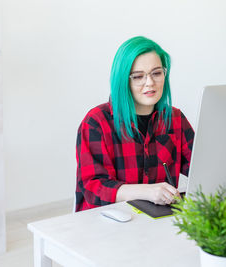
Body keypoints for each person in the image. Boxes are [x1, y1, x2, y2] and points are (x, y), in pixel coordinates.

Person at [75, 36, 194, 212]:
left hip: (157, 221)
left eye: (157, 73)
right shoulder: (96, 122)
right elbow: (94, 188)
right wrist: (147, 192)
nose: (150, 83)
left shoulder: (175, 118)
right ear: (123, 80)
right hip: (106, 222)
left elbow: (199, 168)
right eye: (138, 76)